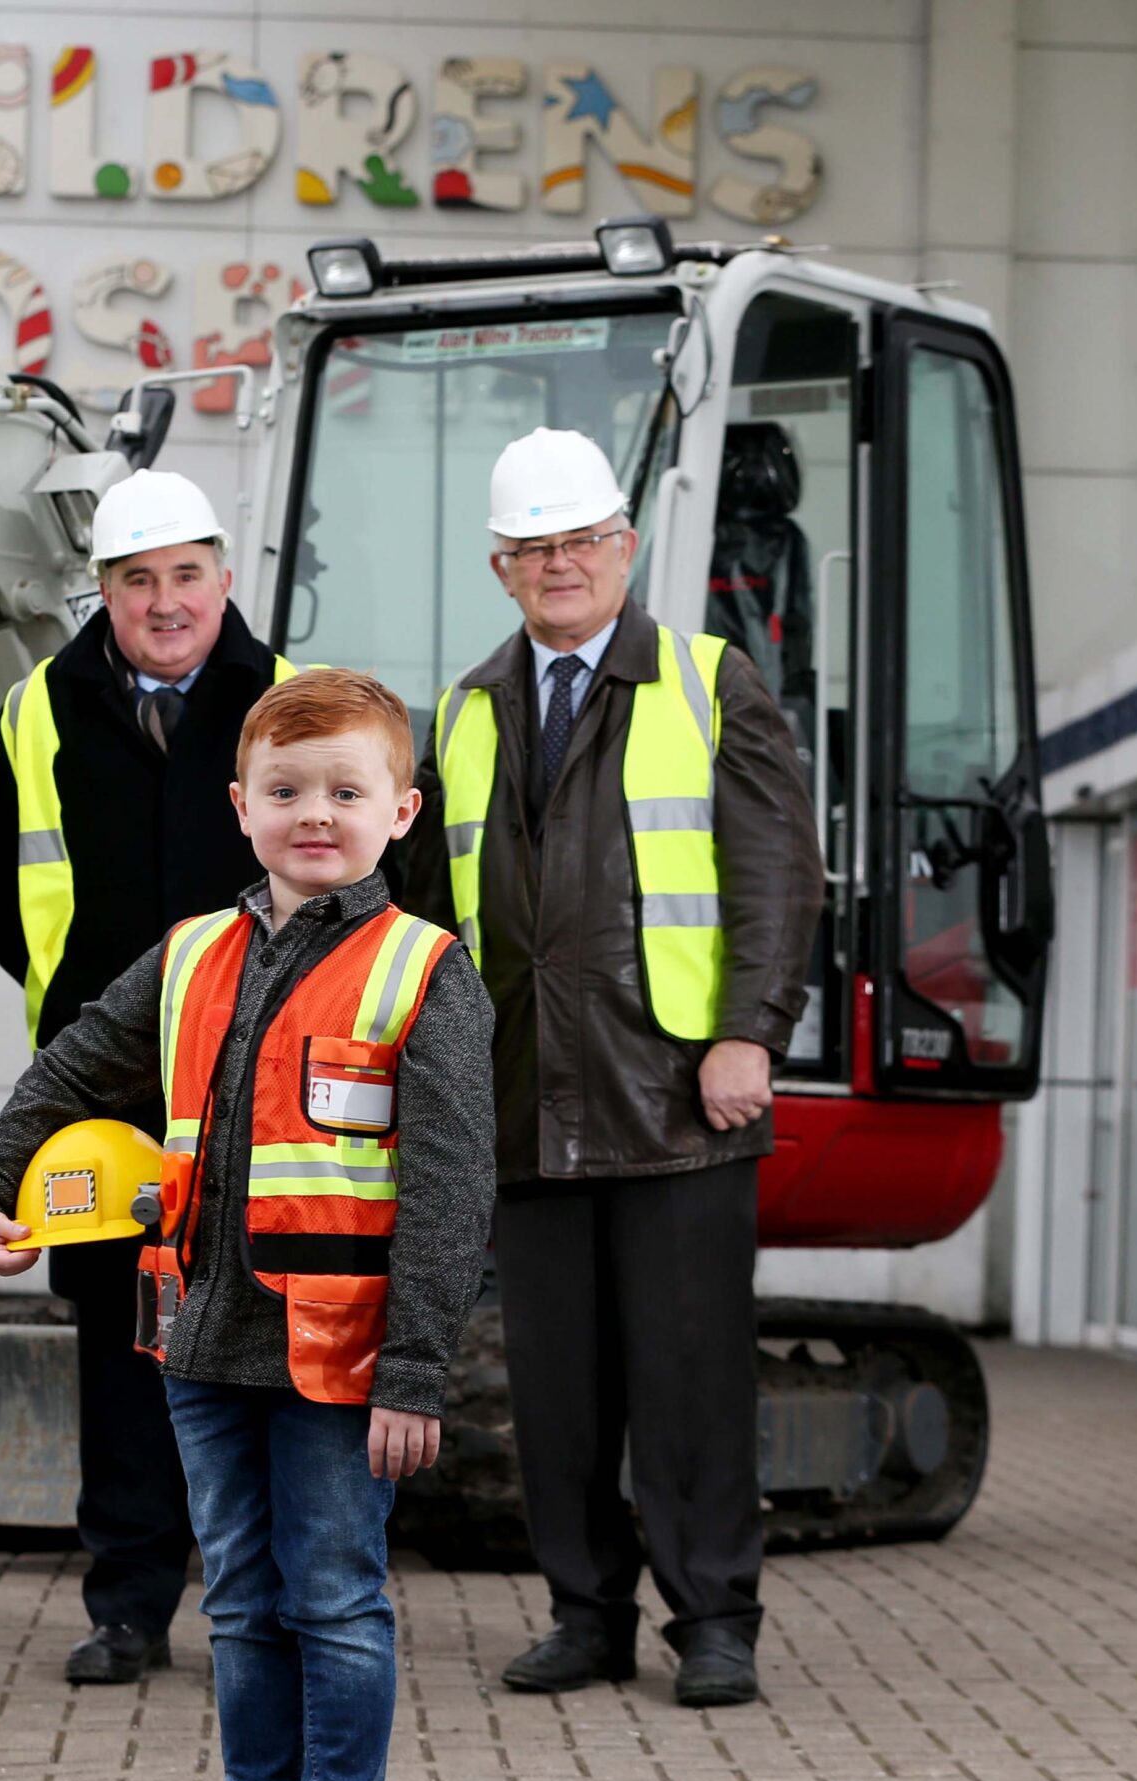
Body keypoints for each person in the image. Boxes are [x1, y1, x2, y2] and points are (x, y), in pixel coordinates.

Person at [0, 669, 496, 1781]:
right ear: (241, 806)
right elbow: (76, 1058)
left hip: (341, 1357)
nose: (318, 814)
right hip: (203, 1339)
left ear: (401, 810)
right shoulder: (195, 952)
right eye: (289, 791)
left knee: (336, 1601)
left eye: (347, 792)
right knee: (245, 1605)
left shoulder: (424, 970)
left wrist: (416, 1370)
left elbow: (451, 1188)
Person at [403, 428, 823, 1709]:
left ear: (625, 549)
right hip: (528, 1104)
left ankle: (714, 1621)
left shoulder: (709, 682)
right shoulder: (466, 713)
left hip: (678, 1097)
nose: (560, 565)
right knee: (561, 1393)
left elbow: (774, 869)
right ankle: (585, 1615)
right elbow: (431, 907)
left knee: (688, 1380)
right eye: (534, 549)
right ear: (501, 568)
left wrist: (750, 1027)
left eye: (581, 541)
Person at [0, 467, 301, 1687]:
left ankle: (261, 1607)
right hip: (103, 1087)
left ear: (224, 577)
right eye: (135, 580)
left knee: (264, 1335)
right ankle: (127, 1605)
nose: (163, 601)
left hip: (265, 1079)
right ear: (99, 591)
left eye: (184, 575)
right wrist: (89, 1013)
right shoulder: (36, 711)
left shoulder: (293, 702)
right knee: (118, 1341)